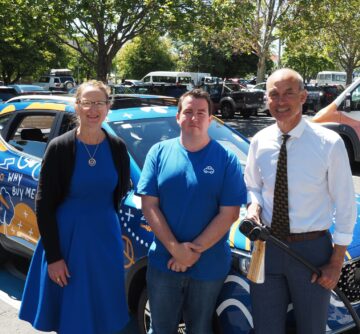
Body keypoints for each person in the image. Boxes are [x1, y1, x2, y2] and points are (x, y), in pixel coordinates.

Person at [244, 68, 357, 334]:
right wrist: (254, 205)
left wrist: (336, 262)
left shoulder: (329, 143)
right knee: (265, 328)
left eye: (289, 94)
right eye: (274, 94)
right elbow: (253, 185)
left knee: (311, 329)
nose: (281, 101)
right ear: (266, 99)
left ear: (303, 97)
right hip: (267, 247)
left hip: (312, 252)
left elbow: (345, 204)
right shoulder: (259, 141)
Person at [19, 80, 130, 333]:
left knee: (103, 312)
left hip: (105, 242)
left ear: (108, 106)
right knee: (71, 315)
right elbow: (44, 205)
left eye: (99, 103)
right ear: (77, 107)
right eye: (87, 103)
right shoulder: (60, 148)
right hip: (67, 242)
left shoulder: (117, 148)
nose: (93, 109)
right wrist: (54, 257)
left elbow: (119, 192)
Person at [136, 89, 247, 334]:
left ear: (210, 119)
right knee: (161, 328)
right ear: (178, 117)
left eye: (201, 112)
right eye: (188, 112)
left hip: (209, 265)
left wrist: (192, 251)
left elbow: (229, 213)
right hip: (164, 263)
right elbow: (149, 205)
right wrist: (176, 249)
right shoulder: (159, 152)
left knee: (200, 328)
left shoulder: (226, 158)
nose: (194, 117)